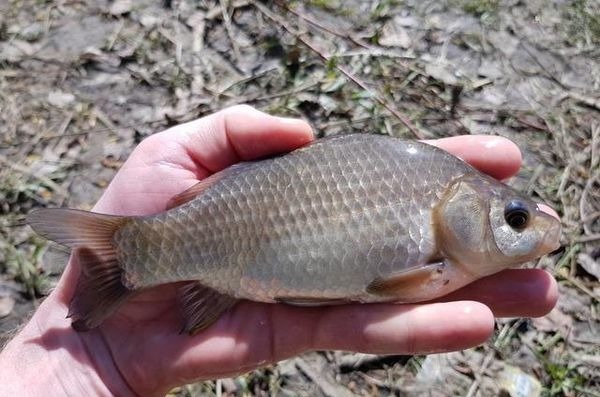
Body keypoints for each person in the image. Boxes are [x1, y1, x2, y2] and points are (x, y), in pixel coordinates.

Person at [0, 105, 558, 396]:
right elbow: (390, 286)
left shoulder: (442, 235)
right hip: (236, 242)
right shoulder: (438, 252)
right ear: (458, 206)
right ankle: (128, 255)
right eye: (514, 219)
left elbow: (387, 288)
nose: (525, 233)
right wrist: (84, 374)